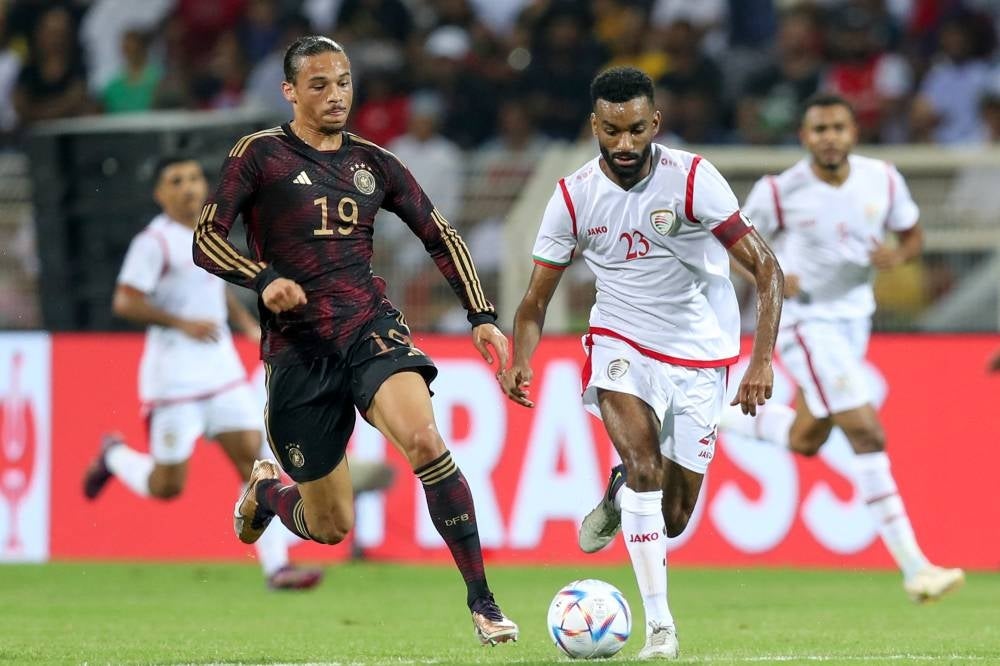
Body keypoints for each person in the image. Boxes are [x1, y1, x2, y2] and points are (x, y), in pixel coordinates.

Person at [191, 36, 518, 645]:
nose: (335, 94)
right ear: (289, 91)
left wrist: (482, 314)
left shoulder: (376, 163)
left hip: (371, 330)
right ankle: (267, 491)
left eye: (342, 81)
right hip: (299, 354)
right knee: (330, 524)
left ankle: (483, 601)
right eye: (319, 84)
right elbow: (206, 240)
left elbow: (438, 234)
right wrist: (264, 280)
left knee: (424, 439)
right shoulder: (259, 155)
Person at [500, 66, 784, 659]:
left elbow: (766, 269)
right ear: (594, 126)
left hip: (703, 351)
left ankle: (616, 494)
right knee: (644, 468)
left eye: (635, 130)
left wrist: (762, 360)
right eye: (610, 131)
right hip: (621, 340)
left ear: (654, 122)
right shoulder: (573, 196)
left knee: (674, 515)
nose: (623, 145)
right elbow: (534, 301)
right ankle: (660, 626)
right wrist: (520, 357)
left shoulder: (693, 180)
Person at [724, 93, 965, 603]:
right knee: (866, 430)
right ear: (804, 138)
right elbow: (735, 245)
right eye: (819, 129)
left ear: (854, 132)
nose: (829, 136)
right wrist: (769, 277)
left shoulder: (885, 179)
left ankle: (709, 415)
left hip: (856, 321)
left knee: (808, 437)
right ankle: (916, 568)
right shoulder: (779, 190)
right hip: (805, 322)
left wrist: (898, 254)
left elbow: (914, 234)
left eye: (838, 126)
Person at [81, 155, 324, 591]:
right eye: (176, 180)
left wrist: (244, 323)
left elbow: (210, 287)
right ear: (160, 194)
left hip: (222, 373)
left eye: (194, 178)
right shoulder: (152, 242)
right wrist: (182, 324)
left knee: (258, 465)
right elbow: (125, 301)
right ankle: (114, 455)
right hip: (173, 381)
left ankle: (277, 567)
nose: (190, 187)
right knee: (167, 485)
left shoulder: (208, 235)